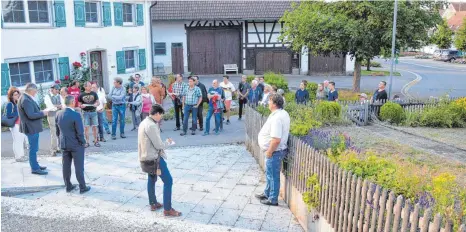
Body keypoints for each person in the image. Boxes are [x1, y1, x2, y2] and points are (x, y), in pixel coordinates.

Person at [138, 104, 181, 216]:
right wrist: (168, 142)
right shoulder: (152, 125)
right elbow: (158, 145)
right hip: (154, 158)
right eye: (161, 115)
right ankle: (167, 209)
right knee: (168, 181)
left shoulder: (144, 122)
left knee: (151, 179)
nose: (161, 117)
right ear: (156, 114)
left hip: (145, 157)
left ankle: (153, 203)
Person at [255, 93, 290, 206]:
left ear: (274, 104)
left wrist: (269, 151)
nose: (268, 103)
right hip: (275, 151)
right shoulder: (281, 113)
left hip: (274, 151)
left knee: (273, 176)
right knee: (270, 174)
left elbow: (276, 139)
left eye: (270, 101)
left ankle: (273, 199)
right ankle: (267, 193)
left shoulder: (277, 118)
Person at [55, 95, 91, 194]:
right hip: (76, 144)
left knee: (65, 166)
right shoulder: (76, 115)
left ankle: (68, 186)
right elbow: (80, 132)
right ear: (72, 102)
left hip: (64, 143)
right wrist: (83, 142)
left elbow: (57, 131)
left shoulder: (58, 114)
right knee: (79, 166)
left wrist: (60, 140)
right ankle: (82, 187)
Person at [18, 83, 48, 175]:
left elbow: (32, 112)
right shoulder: (26, 99)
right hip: (31, 128)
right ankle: (34, 168)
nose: (36, 92)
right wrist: (43, 113)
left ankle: (35, 165)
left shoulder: (25, 97)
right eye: (35, 91)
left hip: (31, 127)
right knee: (33, 149)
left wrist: (41, 112)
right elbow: (30, 115)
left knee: (33, 148)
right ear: (31, 90)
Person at [6, 87, 27, 162]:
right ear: (11, 96)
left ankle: (21, 155)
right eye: (15, 95)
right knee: (17, 141)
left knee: (21, 141)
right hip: (14, 125)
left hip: (20, 124)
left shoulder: (18, 103)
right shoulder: (10, 104)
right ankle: (17, 157)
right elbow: (8, 115)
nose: (17, 96)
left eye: (17, 94)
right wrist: (18, 111)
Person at [78, 82, 100, 147]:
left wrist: (96, 104)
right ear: (85, 87)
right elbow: (79, 104)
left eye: (91, 86)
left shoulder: (94, 93)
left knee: (95, 127)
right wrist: (81, 106)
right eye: (89, 86)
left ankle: (96, 141)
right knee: (86, 128)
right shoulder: (81, 95)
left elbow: (98, 102)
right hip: (85, 113)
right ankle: (87, 142)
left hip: (93, 112)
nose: (91, 87)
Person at [44, 84, 63, 156]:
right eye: (56, 89)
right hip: (51, 115)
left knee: (60, 132)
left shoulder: (59, 96)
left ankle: (58, 147)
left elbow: (63, 104)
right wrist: (58, 106)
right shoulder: (47, 96)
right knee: (53, 133)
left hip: (59, 115)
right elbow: (50, 107)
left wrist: (56, 106)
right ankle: (53, 150)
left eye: (58, 89)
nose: (58, 91)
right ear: (52, 89)